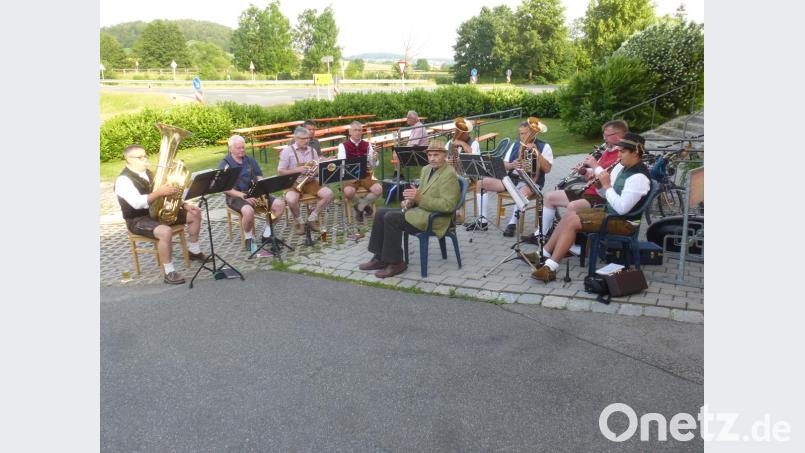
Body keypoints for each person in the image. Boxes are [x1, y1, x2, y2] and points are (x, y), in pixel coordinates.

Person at [531, 133, 651, 282]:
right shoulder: (622, 167)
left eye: (623, 152)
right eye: (619, 151)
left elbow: (622, 208)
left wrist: (606, 185)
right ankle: (544, 254)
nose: (619, 155)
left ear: (636, 153)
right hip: (611, 214)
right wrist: (600, 185)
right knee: (569, 215)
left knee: (572, 221)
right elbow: (608, 194)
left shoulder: (639, 177)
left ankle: (550, 268)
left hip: (625, 223)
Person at [359, 147, 461, 278]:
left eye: (436, 155)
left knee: (391, 218)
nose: (432, 158)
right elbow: (421, 193)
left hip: (434, 218)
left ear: (445, 155)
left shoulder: (449, 174)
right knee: (381, 212)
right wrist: (410, 201)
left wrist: (419, 199)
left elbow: (449, 206)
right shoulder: (426, 169)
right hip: (421, 211)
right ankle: (380, 258)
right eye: (429, 155)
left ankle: (396, 262)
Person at [114, 144, 205, 284]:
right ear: (129, 159)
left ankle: (194, 251)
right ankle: (169, 272)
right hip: (137, 219)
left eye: (145, 156)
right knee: (165, 232)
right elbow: (137, 203)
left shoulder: (149, 173)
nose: (145, 159)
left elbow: (167, 194)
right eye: (140, 157)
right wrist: (159, 192)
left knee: (195, 214)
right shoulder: (123, 180)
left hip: (156, 212)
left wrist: (185, 204)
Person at [528, 120, 628, 242]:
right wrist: (584, 171)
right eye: (604, 134)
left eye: (607, 135)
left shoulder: (622, 156)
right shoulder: (607, 151)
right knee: (549, 197)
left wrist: (595, 165)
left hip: (600, 197)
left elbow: (607, 179)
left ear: (618, 135)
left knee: (572, 206)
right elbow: (593, 176)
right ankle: (541, 235)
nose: (604, 138)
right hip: (589, 191)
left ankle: (567, 242)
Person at [468, 119, 553, 236]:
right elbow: (504, 163)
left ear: (532, 133)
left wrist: (536, 152)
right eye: (520, 133)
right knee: (481, 183)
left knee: (522, 192)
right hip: (512, 179)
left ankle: (512, 224)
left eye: (524, 133)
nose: (521, 136)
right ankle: (482, 222)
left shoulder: (544, 146)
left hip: (532, 182)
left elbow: (548, 169)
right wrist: (512, 165)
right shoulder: (515, 144)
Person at [219, 135, 286, 254]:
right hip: (235, 196)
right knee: (248, 211)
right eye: (239, 148)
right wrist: (243, 196)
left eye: (243, 148)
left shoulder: (250, 160)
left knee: (280, 205)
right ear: (231, 149)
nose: (242, 150)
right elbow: (225, 188)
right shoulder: (225, 164)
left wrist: (260, 188)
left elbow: (259, 176)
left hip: (254, 192)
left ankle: (267, 233)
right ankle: (248, 238)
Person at [278, 126, 335, 234]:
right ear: (296, 139)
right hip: (292, 183)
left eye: (308, 138)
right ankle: (300, 222)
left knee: (329, 194)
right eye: (303, 138)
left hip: (310, 182)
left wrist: (315, 172)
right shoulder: (287, 151)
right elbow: (281, 171)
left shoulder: (312, 150)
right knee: (291, 199)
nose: (307, 140)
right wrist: (297, 170)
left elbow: (317, 166)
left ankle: (312, 218)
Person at [337, 121, 383, 222]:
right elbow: (341, 164)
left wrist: (375, 159)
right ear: (350, 132)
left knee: (378, 189)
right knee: (349, 192)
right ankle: (364, 206)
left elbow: (373, 165)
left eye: (359, 130)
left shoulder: (368, 145)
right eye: (355, 130)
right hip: (350, 175)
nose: (357, 132)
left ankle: (360, 206)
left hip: (365, 174)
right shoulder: (343, 146)